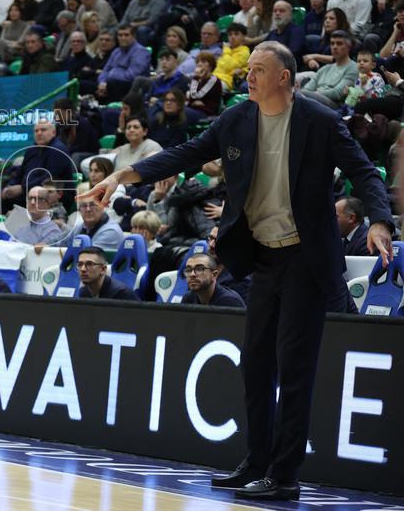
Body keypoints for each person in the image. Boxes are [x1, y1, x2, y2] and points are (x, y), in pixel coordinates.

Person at [82, 41, 393, 501]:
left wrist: (381, 221)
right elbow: (184, 154)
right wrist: (121, 177)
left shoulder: (320, 122)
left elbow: (366, 173)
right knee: (256, 365)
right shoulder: (236, 119)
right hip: (262, 257)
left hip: (306, 262)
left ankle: (285, 475)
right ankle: (257, 460)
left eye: (259, 69)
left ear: (284, 77)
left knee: (295, 369)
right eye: (248, 69)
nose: (248, 76)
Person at [179, 253, 246, 307]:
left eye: (199, 269)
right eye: (188, 270)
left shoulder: (229, 301)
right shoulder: (188, 298)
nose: (192, 274)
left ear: (214, 275)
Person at [74, 246, 139, 300]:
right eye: (80, 264)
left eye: (90, 264)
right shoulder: (84, 292)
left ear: (103, 269)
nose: (83, 269)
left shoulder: (121, 293)